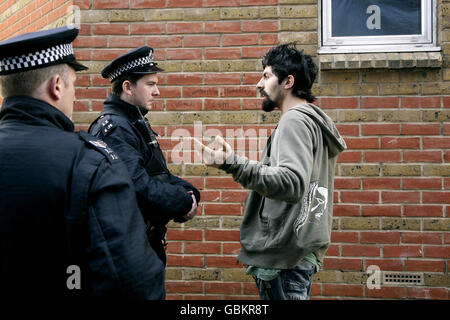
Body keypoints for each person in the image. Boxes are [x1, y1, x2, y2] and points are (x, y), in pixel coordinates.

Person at [0, 26, 165, 299]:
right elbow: (133, 282)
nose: (75, 97)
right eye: (74, 86)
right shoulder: (90, 162)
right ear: (56, 86)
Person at [194, 43, 347, 300]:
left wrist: (231, 162)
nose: (258, 84)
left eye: (266, 76)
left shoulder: (294, 120)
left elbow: (291, 182)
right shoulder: (311, 121)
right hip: (297, 255)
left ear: (288, 82)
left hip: (286, 259)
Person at [89, 46, 200, 265]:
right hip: (128, 252)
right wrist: (184, 201)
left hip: (143, 245)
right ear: (127, 87)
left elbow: (157, 174)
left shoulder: (133, 123)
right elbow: (137, 187)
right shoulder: (116, 129)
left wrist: (190, 192)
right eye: (151, 84)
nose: (157, 92)